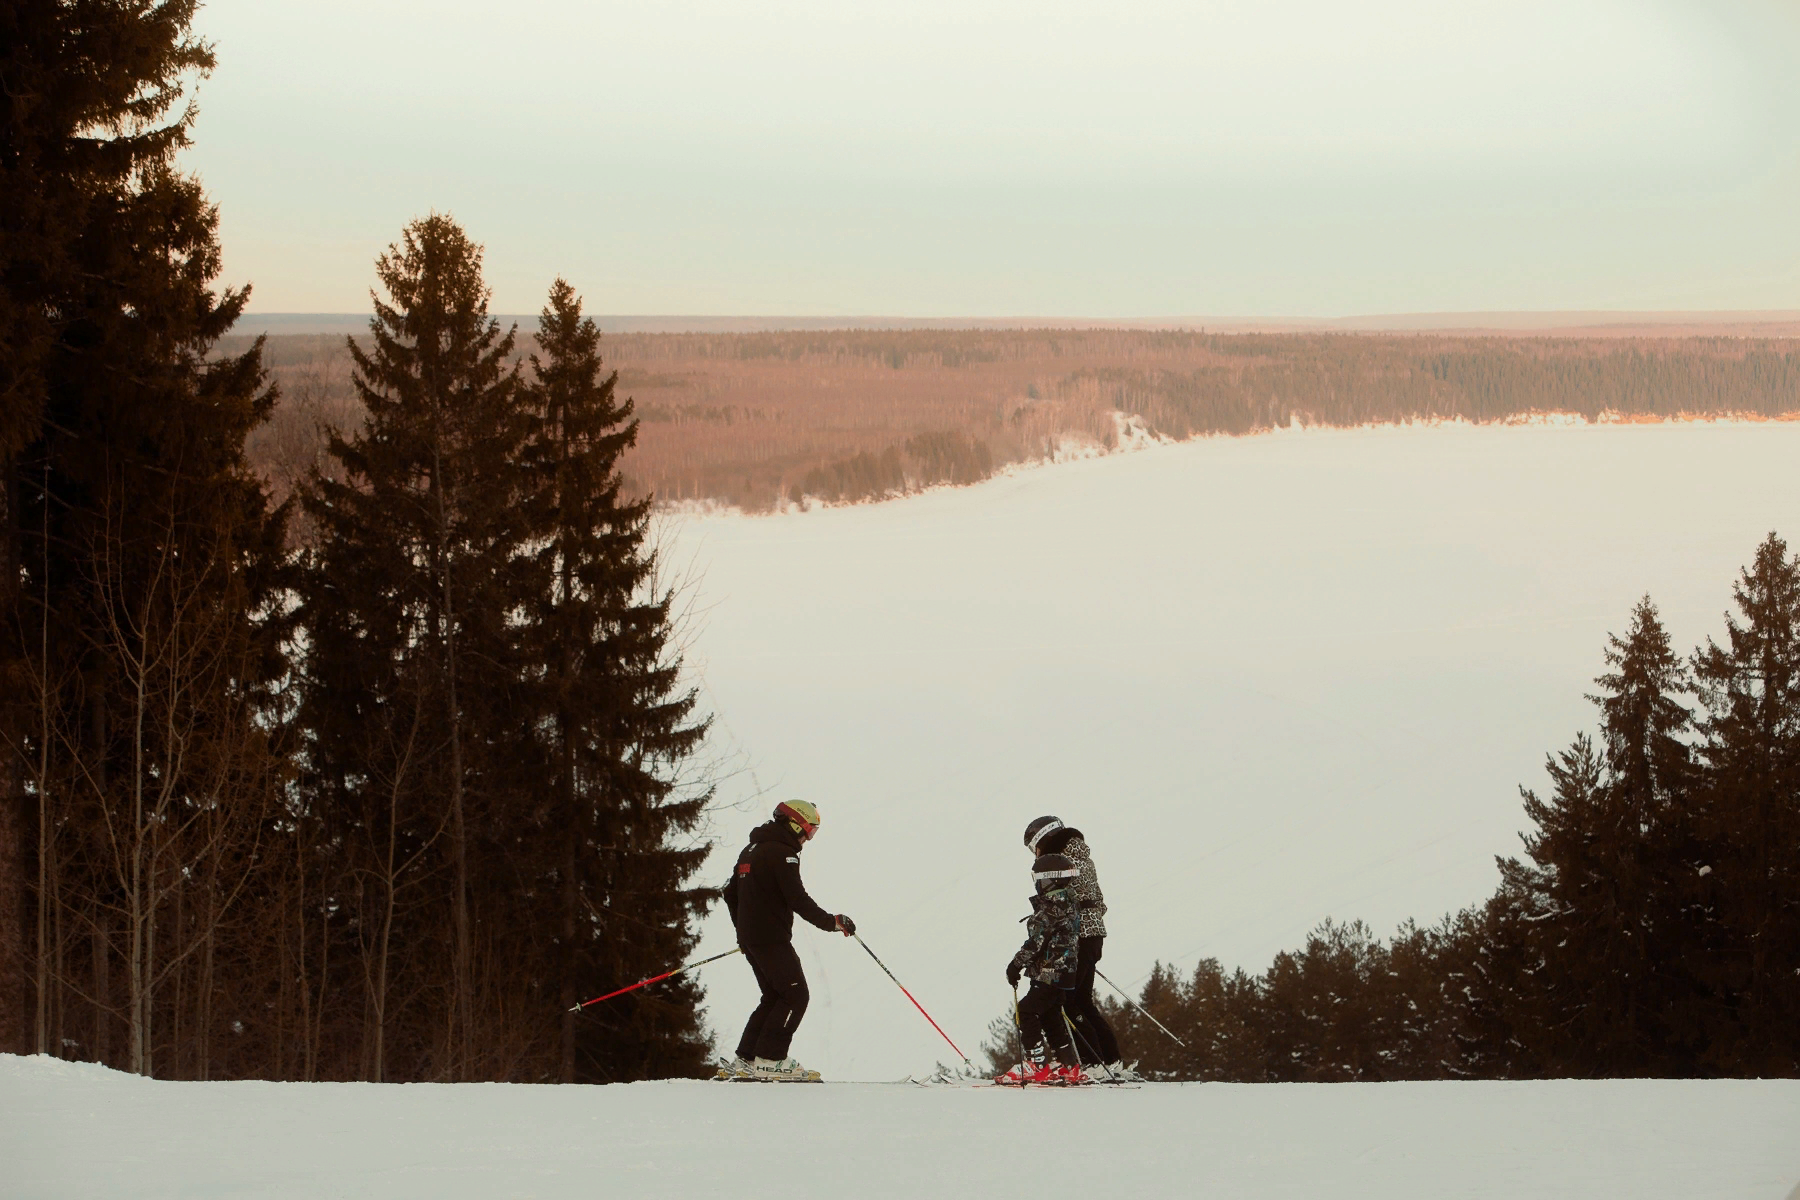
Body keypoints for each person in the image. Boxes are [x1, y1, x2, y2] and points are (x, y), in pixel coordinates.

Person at [718, 800, 854, 1082]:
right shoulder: (782, 853)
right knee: (795, 996)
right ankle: (771, 1060)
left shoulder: (753, 849)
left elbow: (730, 891)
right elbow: (797, 899)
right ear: (796, 824)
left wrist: (743, 931)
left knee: (774, 996)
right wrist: (833, 921)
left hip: (754, 939)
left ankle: (746, 1060)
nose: (811, 837)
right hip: (770, 938)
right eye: (811, 829)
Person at [1022, 815, 1140, 1082]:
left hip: (1078, 935)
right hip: (1092, 932)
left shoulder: (1063, 861)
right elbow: (1092, 899)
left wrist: (1051, 926)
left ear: (1044, 838)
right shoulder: (1079, 853)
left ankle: (1093, 1061)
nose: (1035, 854)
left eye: (1034, 846)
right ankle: (1110, 1059)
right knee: (1083, 1001)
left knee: (1069, 1000)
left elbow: (1061, 901)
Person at [998, 852, 1086, 1084]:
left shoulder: (1049, 909)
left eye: (1041, 879)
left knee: (1026, 1010)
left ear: (1052, 879)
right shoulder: (1071, 904)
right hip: (1066, 973)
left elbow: (1035, 944)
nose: (1039, 884)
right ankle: (1068, 1065)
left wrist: (1015, 966)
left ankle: (1035, 1065)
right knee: (1050, 1015)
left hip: (1050, 972)